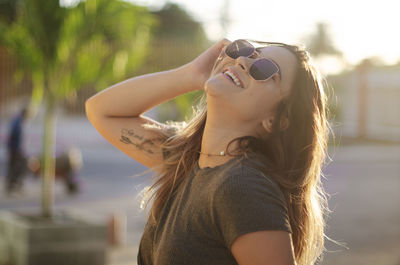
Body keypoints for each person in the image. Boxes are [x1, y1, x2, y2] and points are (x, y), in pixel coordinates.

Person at [86, 38, 331, 265]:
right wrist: (191, 75)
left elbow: (101, 112)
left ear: (277, 120)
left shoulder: (244, 187)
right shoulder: (188, 160)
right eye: (248, 51)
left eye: (265, 69)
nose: (243, 61)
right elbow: (100, 110)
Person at [5, 107, 29, 194]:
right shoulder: (18, 122)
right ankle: (13, 186)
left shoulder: (18, 120)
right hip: (15, 149)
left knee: (15, 167)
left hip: (15, 149)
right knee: (18, 167)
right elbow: (13, 135)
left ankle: (11, 186)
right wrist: (15, 148)